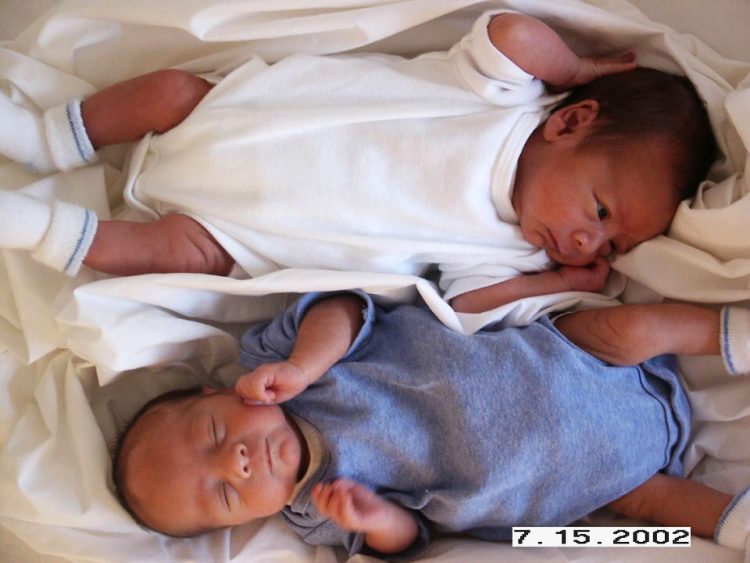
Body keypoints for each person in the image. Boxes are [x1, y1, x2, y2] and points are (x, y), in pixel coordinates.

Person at [1, 11, 715, 314]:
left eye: (613, 244)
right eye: (599, 212)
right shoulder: (506, 100)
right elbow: (508, 32)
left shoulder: (509, 256)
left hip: (232, 230)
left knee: (174, 254)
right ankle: (49, 140)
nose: (592, 243)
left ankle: (36, 226)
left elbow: (463, 304)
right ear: (573, 121)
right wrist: (576, 64)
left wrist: (559, 278)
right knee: (172, 93)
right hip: (238, 123)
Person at [112, 291, 750, 558]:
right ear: (245, 520)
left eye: (215, 436)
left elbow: (344, 308)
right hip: (585, 482)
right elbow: (410, 540)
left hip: (569, 360)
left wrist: (304, 366)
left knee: (629, 327)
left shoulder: (275, 363)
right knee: (650, 510)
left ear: (216, 391)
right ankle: (735, 520)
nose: (238, 462)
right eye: (226, 491)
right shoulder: (315, 514)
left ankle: (734, 333)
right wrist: (374, 519)